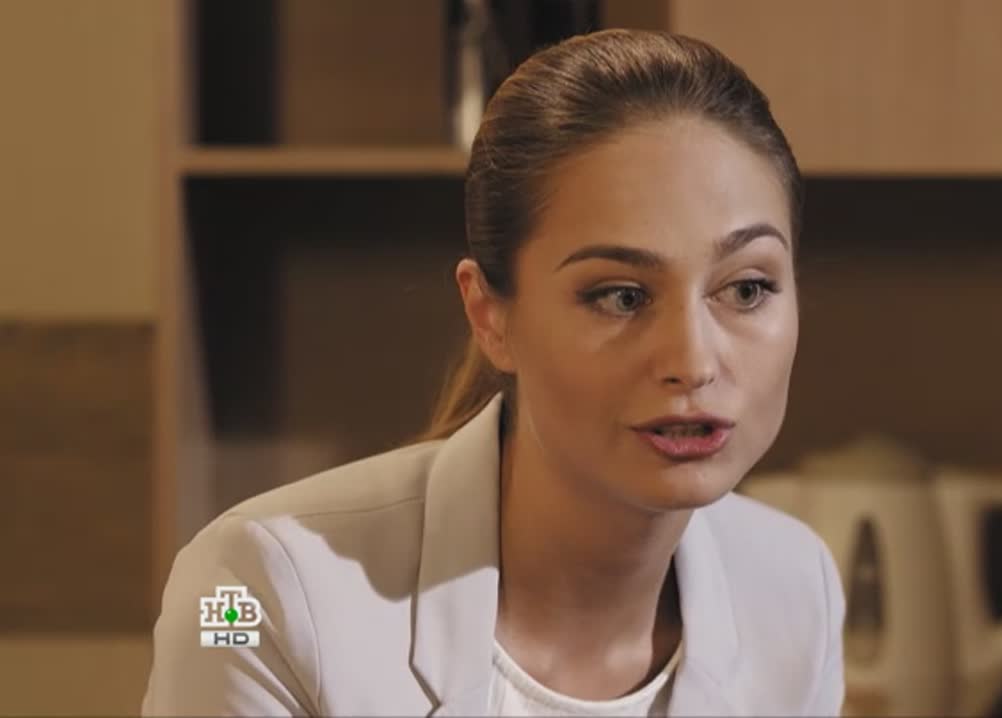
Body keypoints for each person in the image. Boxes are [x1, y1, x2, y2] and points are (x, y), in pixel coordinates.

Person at [142, 28, 845, 717]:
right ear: (491, 317)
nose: (692, 362)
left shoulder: (795, 590)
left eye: (747, 289)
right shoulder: (249, 591)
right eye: (621, 297)